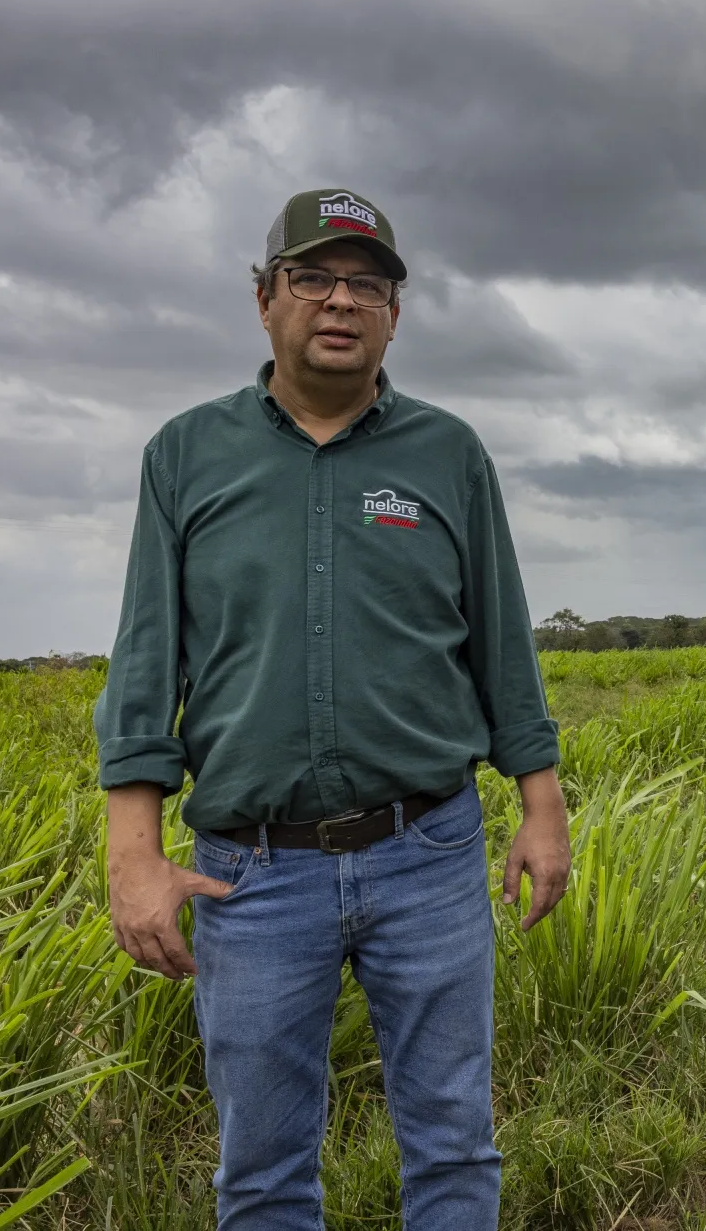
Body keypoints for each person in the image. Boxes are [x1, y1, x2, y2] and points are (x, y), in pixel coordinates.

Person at [95, 189, 571, 1229]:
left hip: (429, 851)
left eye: (369, 283)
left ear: (395, 314)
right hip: (249, 872)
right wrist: (134, 851)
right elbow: (144, 662)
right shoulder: (187, 456)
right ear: (265, 298)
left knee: (452, 1144)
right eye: (314, 276)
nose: (341, 300)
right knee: (262, 1168)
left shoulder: (448, 454)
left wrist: (543, 808)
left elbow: (501, 641)